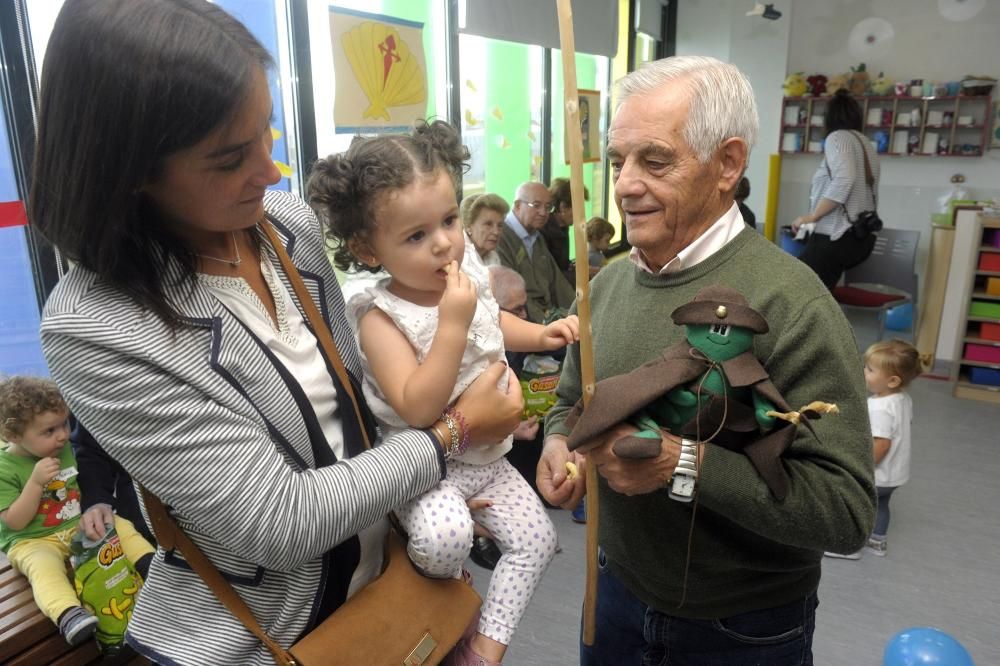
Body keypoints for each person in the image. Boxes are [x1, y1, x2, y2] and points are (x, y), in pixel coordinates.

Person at [31, 2, 522, 663]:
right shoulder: (96, 325)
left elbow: (364, 404)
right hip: (258, 638)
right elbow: (278, 521)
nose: (270, 170)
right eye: (232, 156)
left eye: (267, 134)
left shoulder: (285, 226)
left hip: (382, 593)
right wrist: (455, 434)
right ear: (129, 171)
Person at [537, 55, 875, 665]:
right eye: (618, 162)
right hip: (614, 589)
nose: (624, 185)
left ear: (728, 164)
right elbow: (569, 403)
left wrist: (681, 465)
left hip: (741, 626)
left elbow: (846, 510)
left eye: (655, 160)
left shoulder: (792, 303)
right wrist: (560, 444)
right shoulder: (607, 288)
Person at [310, 120, 578, 666]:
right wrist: (451, 325)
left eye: (451, 220)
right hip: (427, 472)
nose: (444, 243)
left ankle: (482, 648)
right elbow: (418, 406)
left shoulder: (465, 275)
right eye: (416, 236)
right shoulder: (380, 316)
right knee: (445, 541)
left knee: (538, 542)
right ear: (366, 248)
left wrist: (539, 334)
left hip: (491, 460)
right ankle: (447, 620)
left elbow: (493, 322)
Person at [0, 376, 154, 646]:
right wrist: (36, 483)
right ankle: (68, 614)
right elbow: (14, 522)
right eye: (49, 431)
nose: (63, 435)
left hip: (73, 524)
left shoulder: (63, 447)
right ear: (13, 435)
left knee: (121, 527)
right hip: (33, 540)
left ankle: (152, 568)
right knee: (43, 569)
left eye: (65, 423)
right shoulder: (5, 468)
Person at [830, 339, 921, 561]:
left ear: (892, 380)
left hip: (877, 473)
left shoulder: (879, 407)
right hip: (895, 474)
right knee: (881, 507)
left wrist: (864, 468)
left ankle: (851, 547)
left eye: (870, 369)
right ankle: (877, 541)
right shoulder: (902, 399)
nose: (864, 371)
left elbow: (882, 443)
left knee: (859, 507)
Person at [793, 89, 881, 289]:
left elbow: (844, 179)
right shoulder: (865, 143)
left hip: (835, 237)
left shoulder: (837, 138)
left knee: (796, 292)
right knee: (818, 297)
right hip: (861, 238)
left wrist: (812, 217)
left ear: (829, 118)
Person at [498, 181, 575, 324]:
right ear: (517, 205)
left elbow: (557, 282)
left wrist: (578, 312)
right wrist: (547, 324)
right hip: (524, 322)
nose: (543, 213)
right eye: (536, 205)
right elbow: (511, 298)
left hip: (549, 315)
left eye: (548, 207)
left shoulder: (536, 236)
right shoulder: (501, 238)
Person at [540, 177, 589, 282]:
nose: (581, 214)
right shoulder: (544, 231)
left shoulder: (563, 226)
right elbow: (550, 276)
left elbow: (563, 265)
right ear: (563, 207)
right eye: (578, 208)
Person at [460, 193, 509, 267]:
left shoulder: (493, 256)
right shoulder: (458, 257)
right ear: (468, 226)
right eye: (488, 224)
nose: (496, 232)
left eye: (500, 225)